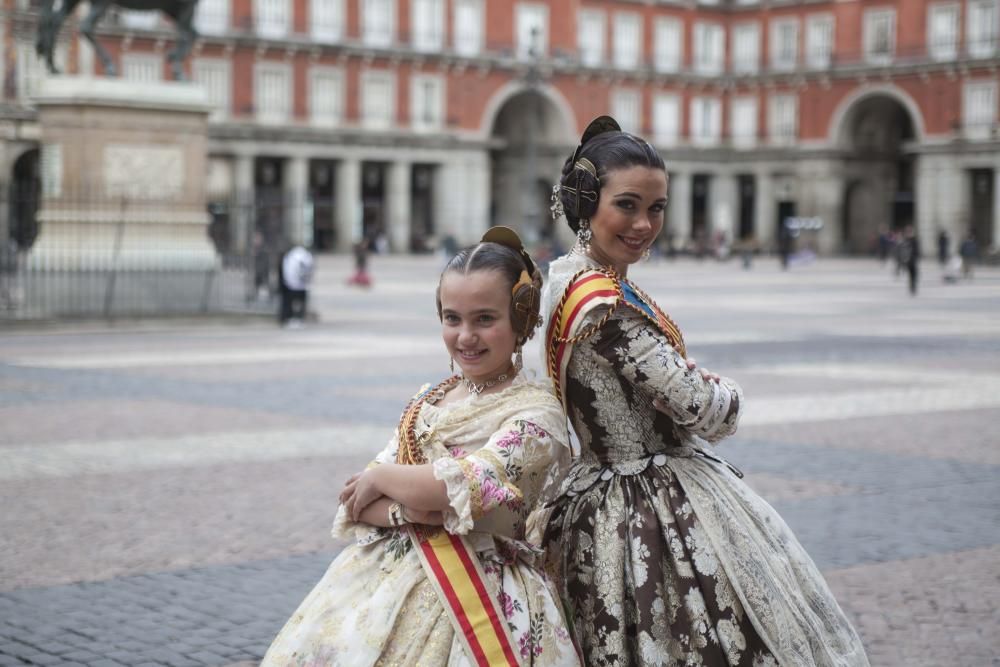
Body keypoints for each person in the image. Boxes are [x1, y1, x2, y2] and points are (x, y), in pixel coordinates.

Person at [541, 116, 869, 666]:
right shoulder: (607, 309)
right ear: (586, 204)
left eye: (656, 208)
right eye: (627, 205)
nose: (644, 224)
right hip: (646, 505)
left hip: (592, 491)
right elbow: (708, 411)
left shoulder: (564, 278)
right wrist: (727, 390)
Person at [261, 228, 581, 666]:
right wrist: (411, 510)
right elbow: (356, 503)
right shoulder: (431, 399)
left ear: (522, 320)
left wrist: (385, 478)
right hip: (385, 584)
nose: (465, 335)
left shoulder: (537, 414)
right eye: (453, 318)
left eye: (484, 319)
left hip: (486, 599)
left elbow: (468, 484)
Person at [278, 243, 314, 327]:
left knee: (289, 302)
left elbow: (288, 271)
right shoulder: (306, 256)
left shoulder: (291, 256)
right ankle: (297, 317)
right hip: (301, 284)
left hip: (292, 283)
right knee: (299, 302)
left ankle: (289, 317)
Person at [898, 224, 920, 296]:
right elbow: (902, 251)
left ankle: (912, 287)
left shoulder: (908, 240)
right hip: (910, 260)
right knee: (912, 275)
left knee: (913, 275)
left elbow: (916, 250)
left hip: (911, 260)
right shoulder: (910, 240)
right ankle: (912, 288)